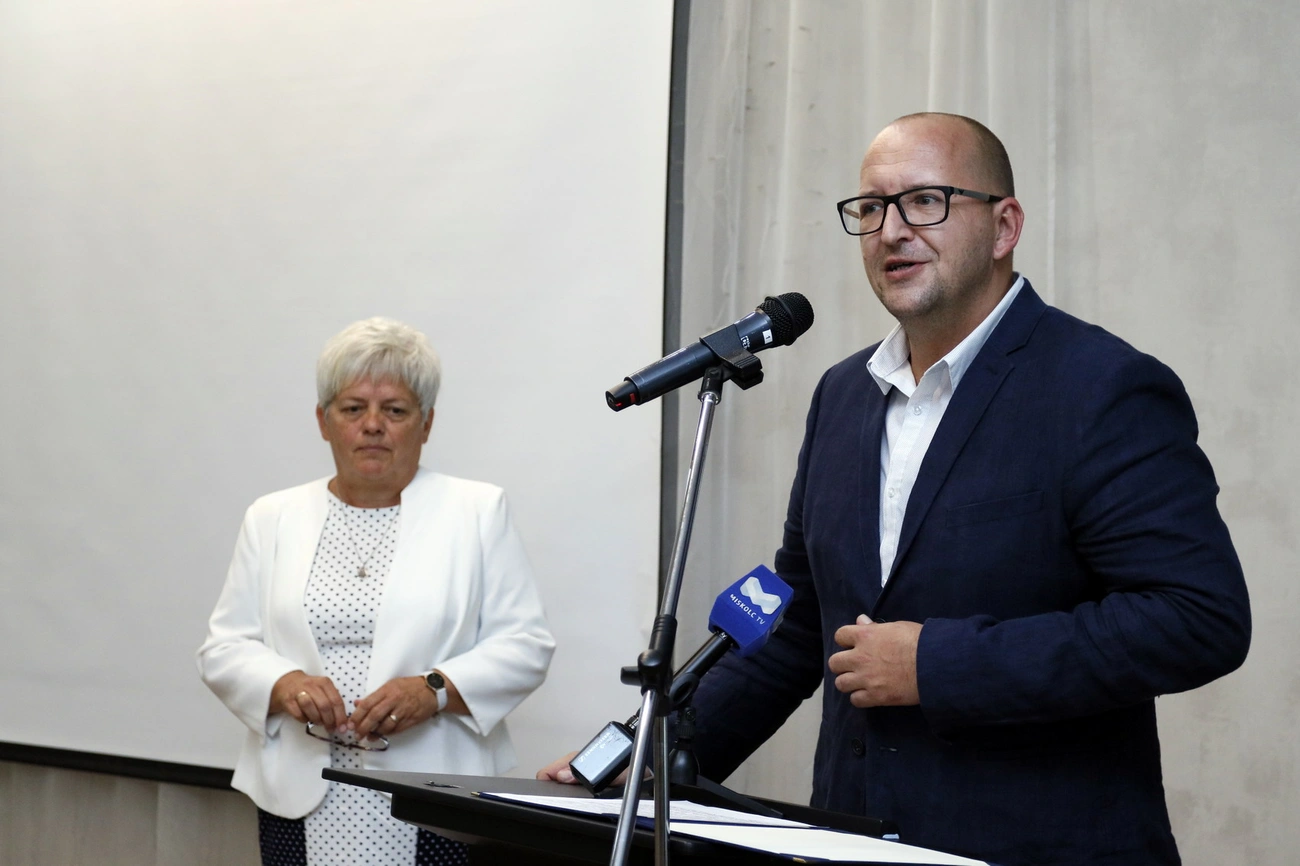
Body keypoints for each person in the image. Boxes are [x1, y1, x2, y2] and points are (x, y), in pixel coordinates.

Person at [541, 113, 1251, 866]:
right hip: (856, 842)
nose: (891, 231)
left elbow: (1196, 619)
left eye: (925, 202)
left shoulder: (1100, 387)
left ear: (1005, 226)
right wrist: (644, 759)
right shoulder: (844, 394)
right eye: (872, 208)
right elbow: (799, 622)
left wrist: (937, 665)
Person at [200, 317, 555, 866]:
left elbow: (526, 645)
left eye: (394, 410)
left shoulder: (477, 512)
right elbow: (224, 648)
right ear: (323, 421)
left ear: (426, 423)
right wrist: (284, 684)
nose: (372, 426)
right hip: (298, 790)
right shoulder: (272, 517)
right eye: (352, 409)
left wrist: (434, 689)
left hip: (435, 789)